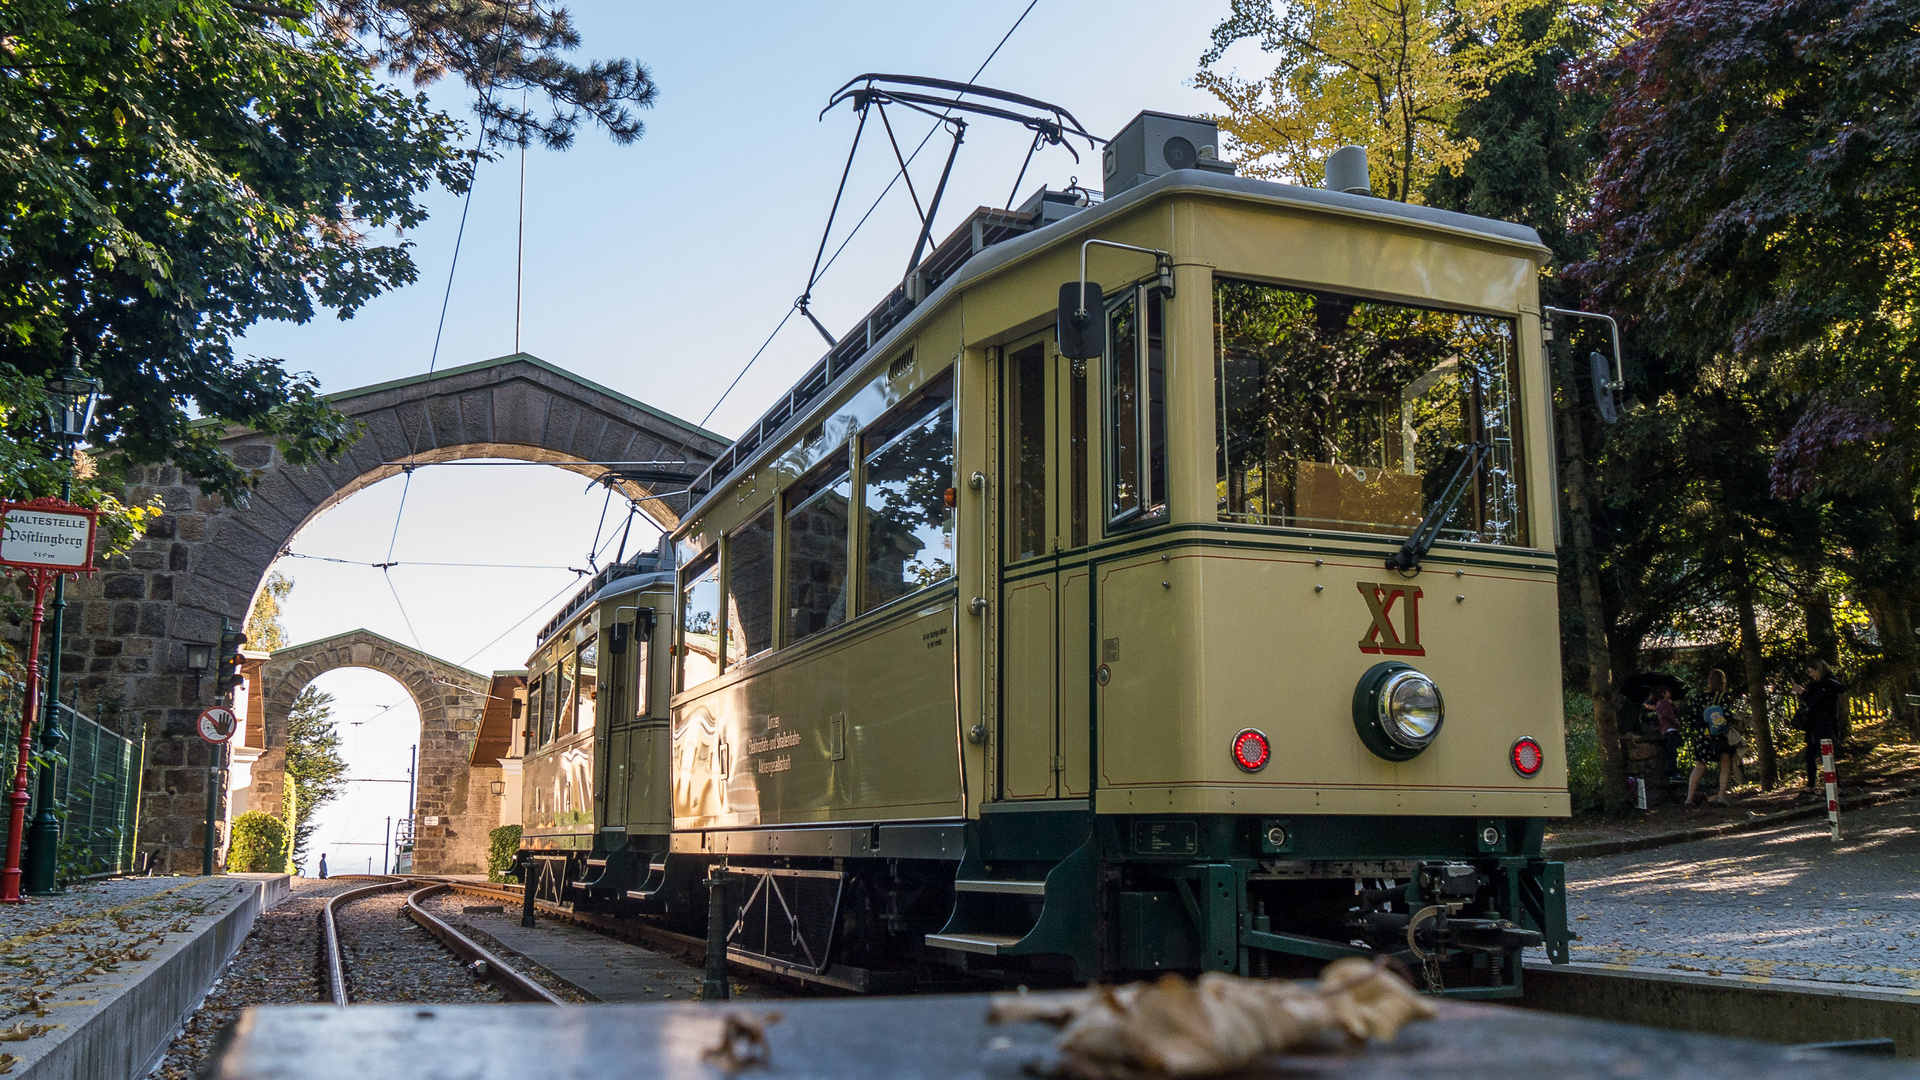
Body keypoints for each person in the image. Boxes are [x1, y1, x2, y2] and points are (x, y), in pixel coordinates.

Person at [1791, 659, 1846, 798]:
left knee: (1826, 755)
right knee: (1810, 755)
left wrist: (1802, 693)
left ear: (1818, 669)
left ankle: (1836, 786)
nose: (1810, 675)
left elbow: (1814, 702)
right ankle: (1811, 785)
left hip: (1825, 724)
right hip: (1814, 724)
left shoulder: (1828, 683)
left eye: (1811, 672)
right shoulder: (1817, 685)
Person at [1686, 669, 1738, 806]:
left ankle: (1689, 798)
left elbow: (1693, 718)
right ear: (1723, 681)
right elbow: (1728, 716)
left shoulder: (1699, 697)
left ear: (1709, 680)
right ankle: (1721, 797)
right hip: (1720, 736)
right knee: (1725, 763)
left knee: (1700, 765)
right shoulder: (1724, 697)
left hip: (1703, 736)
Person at [1648, 686, 1685, 785]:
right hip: (1668, 730)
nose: (1670, 693)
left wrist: (1673, 705)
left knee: (1673, 752)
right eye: (1668, 691)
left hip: (1671, 730)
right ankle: (1673, 774)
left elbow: (1676, 712)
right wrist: (1675, 722)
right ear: (1663, 693)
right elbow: (1665, 715)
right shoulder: (1661, 703)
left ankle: (1675, 773)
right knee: (1671, 753)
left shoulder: (1668, 703)